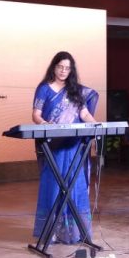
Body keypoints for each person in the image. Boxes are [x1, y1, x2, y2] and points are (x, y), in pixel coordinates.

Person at [32, 51, 98, 244]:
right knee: (53, 185)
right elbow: (35, 115)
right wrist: (45, 123)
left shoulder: (75, 90)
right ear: (54, 67)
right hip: (54, 145)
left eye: (67, 68)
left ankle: (75, 232)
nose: (63, 71)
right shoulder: (44, 89)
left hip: (74, 145)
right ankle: (51, 231)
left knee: (75, 185)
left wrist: (96, 125)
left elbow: (84, 114)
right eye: (60, 66)